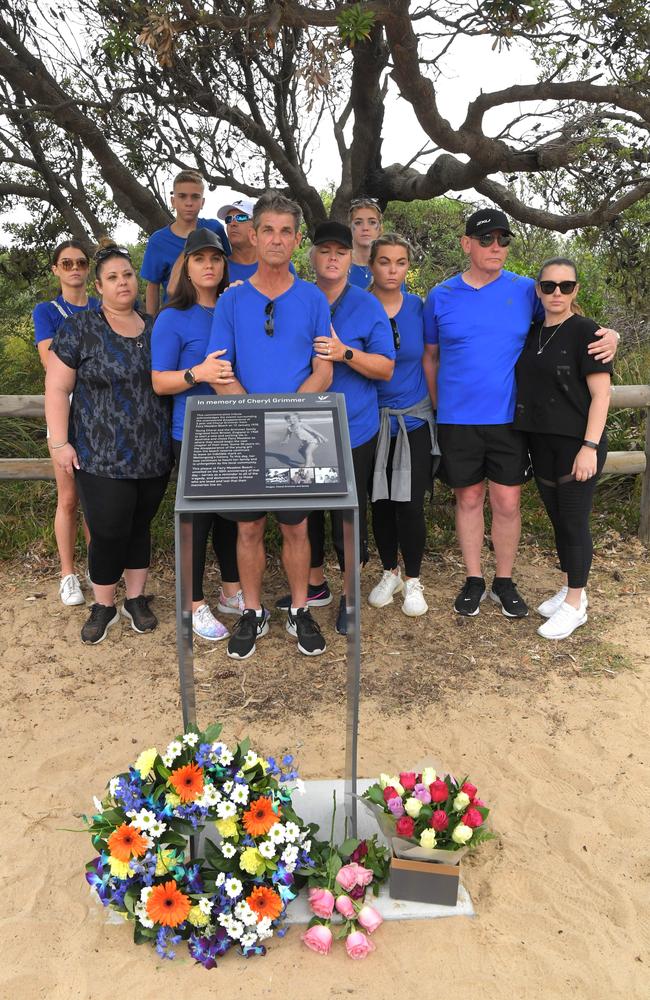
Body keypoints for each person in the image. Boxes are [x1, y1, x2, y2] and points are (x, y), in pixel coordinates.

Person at [423, 208, 619, 618]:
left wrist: (609, 335)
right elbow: (430, 358)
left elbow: (562, 319)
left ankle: (504, 581)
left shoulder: (526, 291)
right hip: (458, 420)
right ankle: (474, 579)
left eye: (503, 240)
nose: (496, 247)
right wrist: (440, 409)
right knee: (469, 498)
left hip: (510, 420)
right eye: (486, 239)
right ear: (466, 244)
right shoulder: (440, 296)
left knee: (508, 502)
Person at [206, 192, 333, 660]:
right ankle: (252, 611)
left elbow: (323, 370)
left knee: (297, 528)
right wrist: (256, 419)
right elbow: (220, 371)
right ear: (253, 235)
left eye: (286, 231)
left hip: (294, 435)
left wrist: (288, 419)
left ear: (297, 240)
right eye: (268, 230)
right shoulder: (232, 302)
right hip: (244, 431)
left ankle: (300, 610)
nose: (276, 239)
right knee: (250, 529)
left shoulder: (313, 298)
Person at [45, 242, 172, 644]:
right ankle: (103, 604)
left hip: (153, 453)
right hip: (99, 455)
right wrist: (59, 442)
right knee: (108, 530)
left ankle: (136, 598)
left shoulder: (155, 327)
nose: (123, 282)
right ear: (99, 286)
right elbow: (56, 386)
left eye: (128, 275)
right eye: (113, 277)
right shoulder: (80, 328)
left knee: (139, 526)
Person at [275, 221, 396, 634]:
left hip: (353, 427)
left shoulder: (366, 305)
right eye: (324, 250)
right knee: (303, 513)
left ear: (350, 258)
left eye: (340, 252)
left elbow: (385, 367)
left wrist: (345, 353)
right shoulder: (295, 298)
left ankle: (349, 597)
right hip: (301, 425)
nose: (331, 258)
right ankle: (313, 586)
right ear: (310, 254)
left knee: (348, 515)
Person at [151, 229, 243, 642]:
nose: (209, 265)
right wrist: (197, 374)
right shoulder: (172, 317)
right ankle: (193, 605)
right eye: (200, 258)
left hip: (232, 428)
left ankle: (230, 592)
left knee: (231, 521)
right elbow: (158, 381)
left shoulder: (234, 308)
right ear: (186, 266)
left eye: (216, 258)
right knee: (196, 522)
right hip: (191, 432)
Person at [513, 258, 612, 639]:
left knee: (574, 522)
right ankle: (573, 586)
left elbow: (601, 396)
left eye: (566, 286)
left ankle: (575, 604)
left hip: (577, 445)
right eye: (549, 286)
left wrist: (589, 446)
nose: (557, 293)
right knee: (559, 521)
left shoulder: (587, 331)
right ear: (539, 290)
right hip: (542, 443)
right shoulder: (533, 331)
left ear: (576, 290)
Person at [366, 234, 440, 618]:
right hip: (372, 422)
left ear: (408, 267)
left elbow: (432, 358)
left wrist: (439, 415)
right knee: (379, 503)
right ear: (371, 264)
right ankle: (388, 572)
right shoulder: (357, 305)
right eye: (384, 261)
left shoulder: (419, 307)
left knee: (409, 505)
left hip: (413, 419)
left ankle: (412, 579)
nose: (392, 270)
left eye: (400, 262)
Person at [33, 239, 98, 606]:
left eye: (80, 262)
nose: (75, 269)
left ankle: (96, 567)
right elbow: (49, 360)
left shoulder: (104, 307)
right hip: (65, 411)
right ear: (56, 269)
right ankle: (67, 573)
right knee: (70, 498)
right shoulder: (47, 311)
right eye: (66, 263)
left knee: (96, 499)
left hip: (101, 413)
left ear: (88, 269)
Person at [141, 169, 230, 316]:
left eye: (195, 197)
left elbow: (228, 266)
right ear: (173, 201)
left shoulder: (215, 229)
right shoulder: (158, 241)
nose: (189, 203)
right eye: (182, 196)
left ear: (202, 202)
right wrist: (151, 325)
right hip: (177, 313)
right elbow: (153, 287)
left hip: (214, 313)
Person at [348, 198, 383, 289]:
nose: (365, 228)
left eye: (372, 222)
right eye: (358, 222)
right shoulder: (338, 265)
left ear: (380, 228)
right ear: (350, 227)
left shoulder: (390, 266)